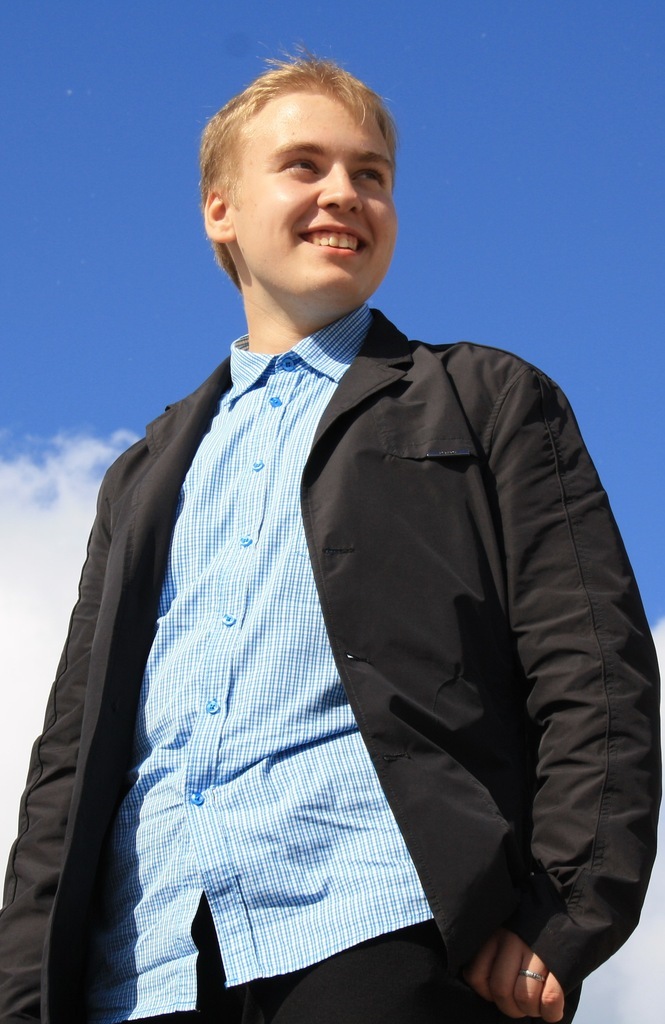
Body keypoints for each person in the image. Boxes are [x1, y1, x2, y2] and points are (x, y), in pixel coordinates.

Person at [0, 54, 660, 1024]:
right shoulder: (141, 475)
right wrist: (22, 993)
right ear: (220, 210)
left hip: (379, 930)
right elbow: (68, 756)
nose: (344, 193)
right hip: (138, 971)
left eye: (371, 174)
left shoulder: (487, 399)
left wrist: (563, 911)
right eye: (303, 165)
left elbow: (591, 666)